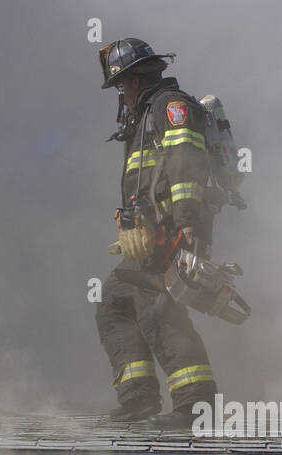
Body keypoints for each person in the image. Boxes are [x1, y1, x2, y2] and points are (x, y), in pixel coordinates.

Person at [94, 37, 220, 428]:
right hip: (148, 236)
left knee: (158, 309)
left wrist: (186, 223)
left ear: (135, 80)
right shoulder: (146, 116)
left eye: (121, 86)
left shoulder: (170, 106)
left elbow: (185, 162)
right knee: (115, 301)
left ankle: (196, 407)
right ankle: (138, 399)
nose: (121, 95)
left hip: (171, 232)